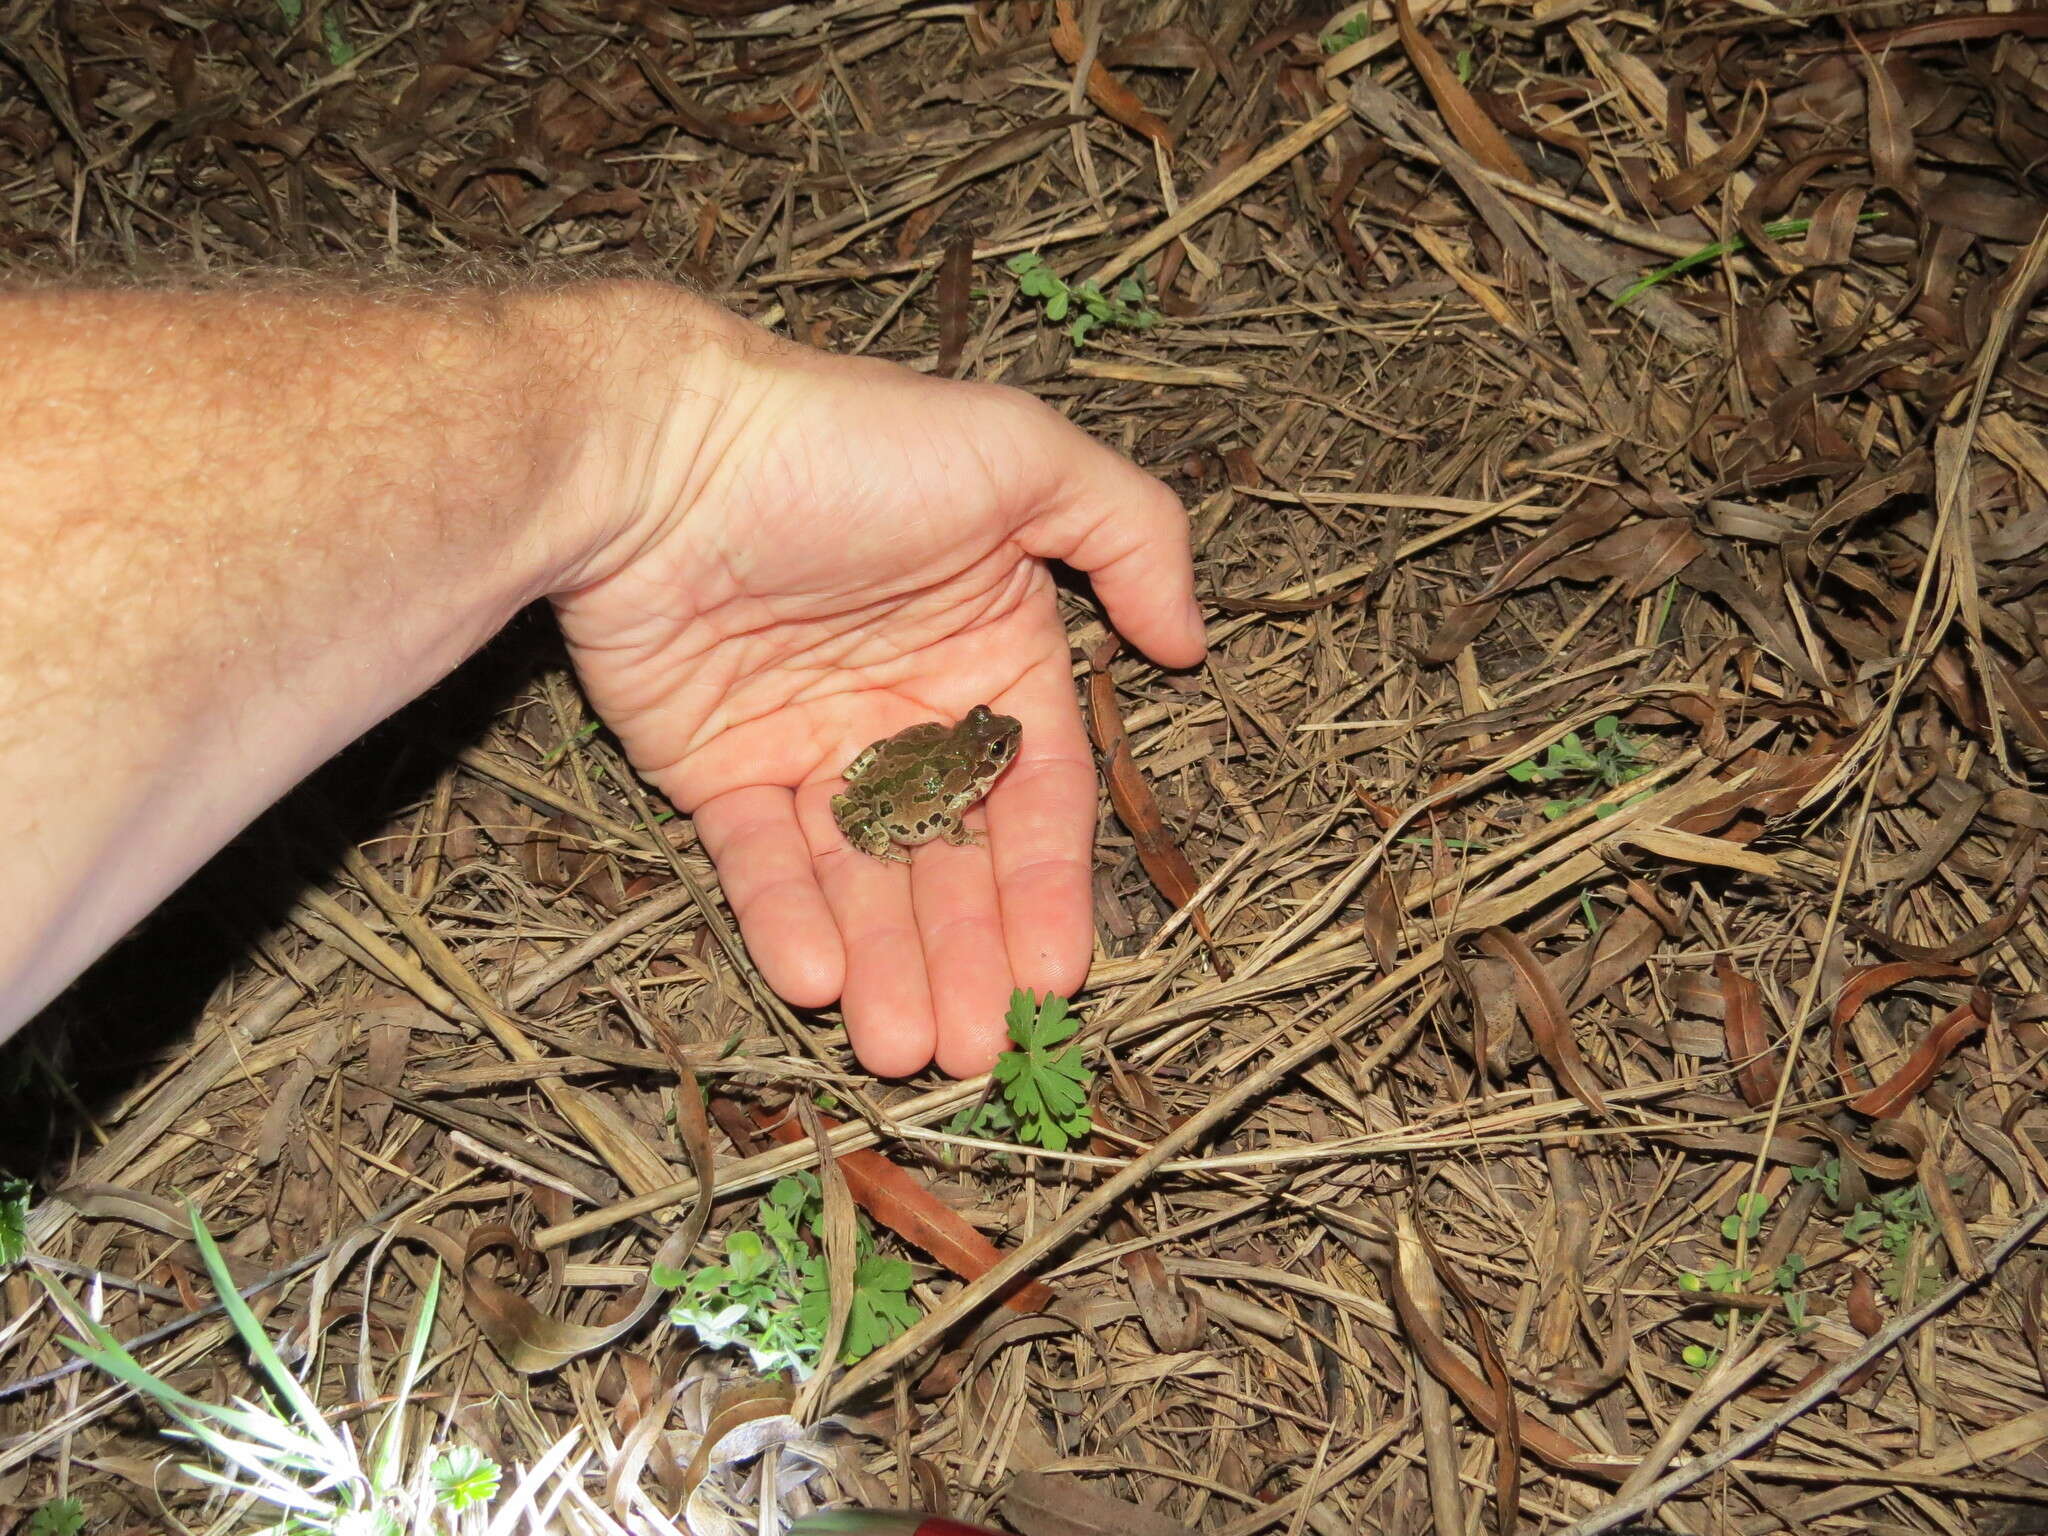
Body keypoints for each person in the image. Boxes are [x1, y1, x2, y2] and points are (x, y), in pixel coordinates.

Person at [0, 275, 1205, 1077]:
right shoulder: (952, 770)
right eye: (992, 750)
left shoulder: (955, 742)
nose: (994, 755)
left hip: (886, 768)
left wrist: (664, 448)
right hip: (888, 790)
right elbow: (905, 790)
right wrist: (664, 439)